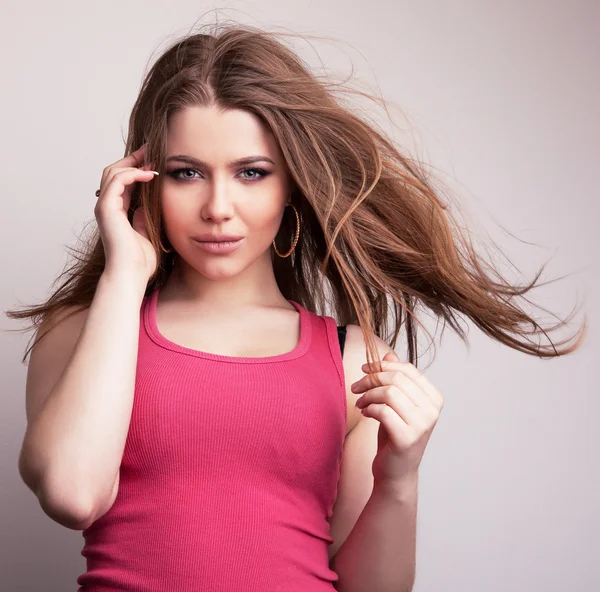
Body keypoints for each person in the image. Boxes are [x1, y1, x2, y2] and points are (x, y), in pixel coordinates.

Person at [7, 22, 586, 592]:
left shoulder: (353, 358)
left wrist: (399, 479)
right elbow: (72, 494)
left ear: (292, 187)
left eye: (251, 173)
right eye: (187, 173)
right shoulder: (85, 329)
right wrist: (125, 273)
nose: (218, 207)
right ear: (144, 181)